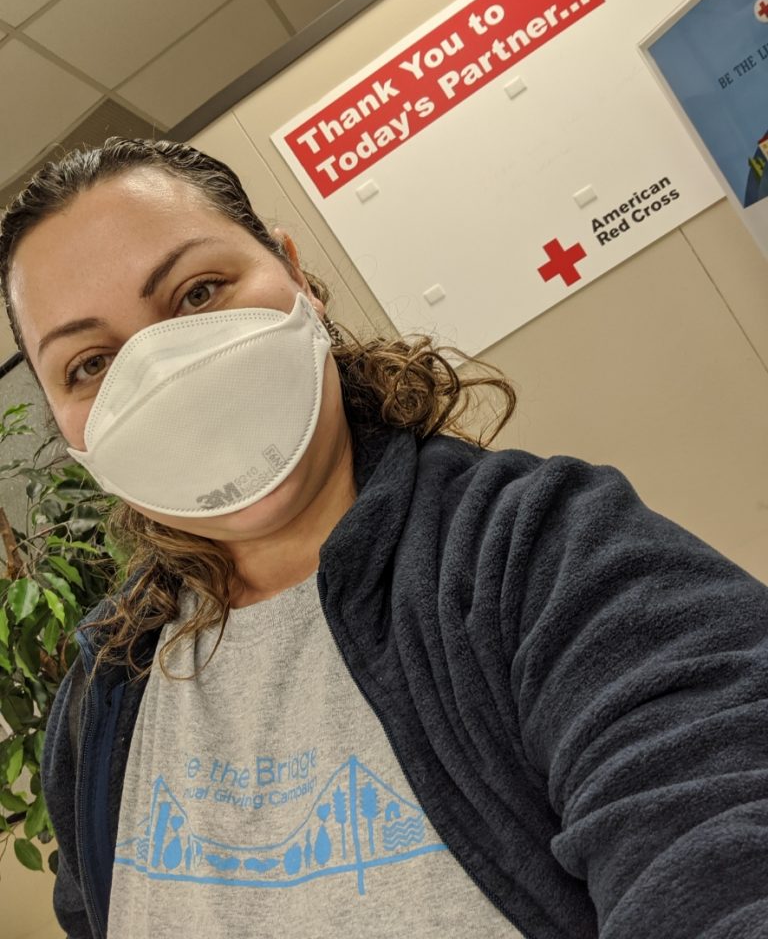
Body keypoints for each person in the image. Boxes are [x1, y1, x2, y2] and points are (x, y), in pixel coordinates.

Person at [1, 137, 767, 939]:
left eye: (197, 293)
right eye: (89, 365)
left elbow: (717, 827)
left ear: (296, 276)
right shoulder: (103, 689)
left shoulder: (539, 551)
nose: (160, 375)